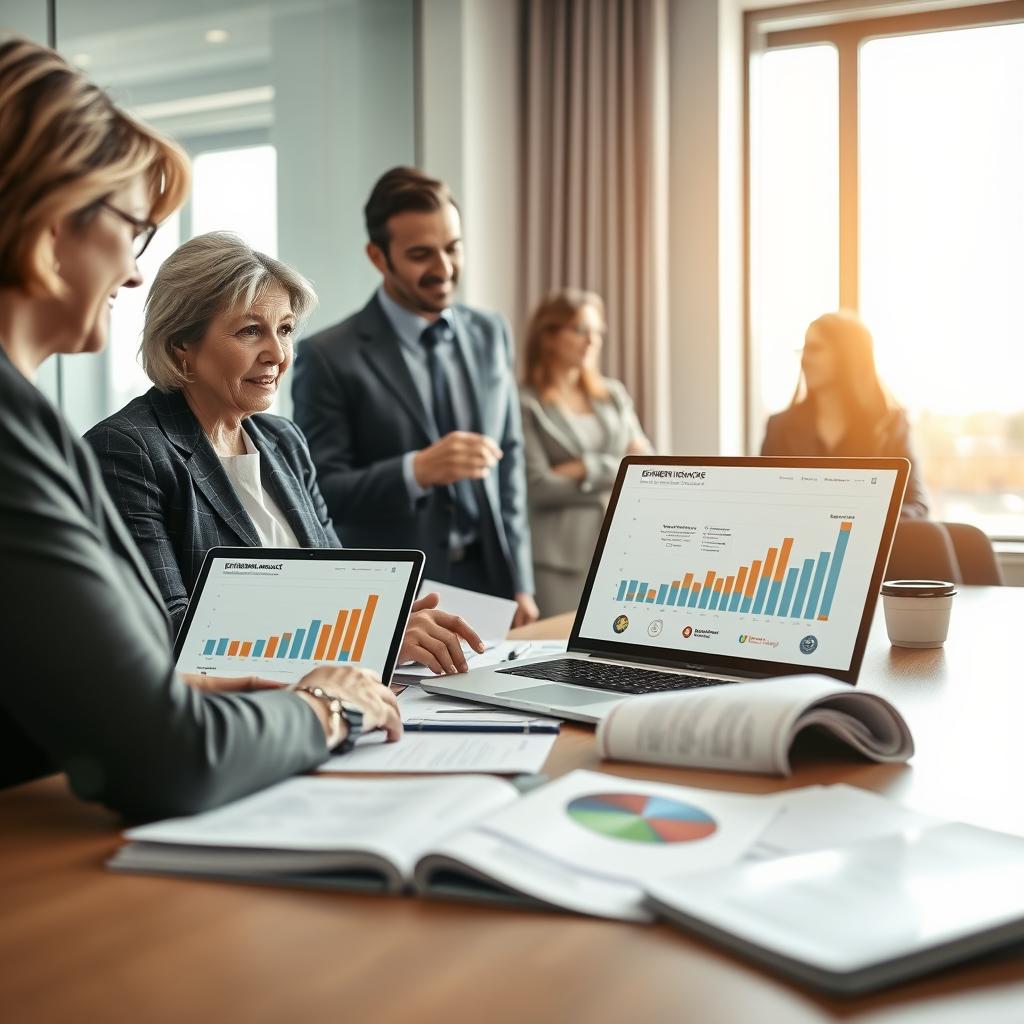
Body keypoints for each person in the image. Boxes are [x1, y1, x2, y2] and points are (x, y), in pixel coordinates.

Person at [0, 38, 400, 818]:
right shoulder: (50, 439)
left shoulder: (30, 421)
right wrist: (327, 709)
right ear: (53, 228)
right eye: (132, 227)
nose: (135, 269)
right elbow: (164, 750)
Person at [86, 232, 483, 677]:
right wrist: (368, 640)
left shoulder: (283, 441)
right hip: (232, 721)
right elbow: (170, 628)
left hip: (336, 691)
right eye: (251, 330)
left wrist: (391, 625)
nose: (277, 353)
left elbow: (341, 589)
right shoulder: (127, 449)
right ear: (182, 343)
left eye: (286, 329)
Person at [292, 167, 539, 626]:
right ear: (378, 256)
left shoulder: (490, 333)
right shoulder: (327, 357)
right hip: (404, 598)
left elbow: (510, 461)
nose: (444, 269)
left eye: (453, 248)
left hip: (492, 583)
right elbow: (318, 492)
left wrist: (520, 579)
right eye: (421, 254)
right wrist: (417, 471)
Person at [519, 289, 651, 615]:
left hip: (623, 547)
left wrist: (583, 467)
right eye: (580, 330)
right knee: (561, 653)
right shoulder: (526, 403)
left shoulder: (613, 396)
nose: (592, 340)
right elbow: (537, 486)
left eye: (597, 332)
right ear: (548, 337)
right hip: (561, 561)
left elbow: (647, 467)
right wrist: (616, 467)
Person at [760, 310, 928, 518]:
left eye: (815, 349)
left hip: (874, 546)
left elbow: (917, 507)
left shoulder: (890, 424)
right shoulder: (780, 427)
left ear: (847, 356)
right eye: (803, 349)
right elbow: (764, 502)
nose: (804, 359)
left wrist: (866, 521)